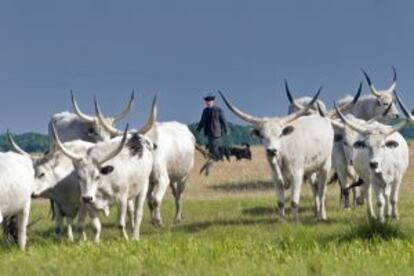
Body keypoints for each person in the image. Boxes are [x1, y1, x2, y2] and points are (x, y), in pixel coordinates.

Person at [197, 93, 228, 160]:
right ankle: (216, 159)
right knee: (211, 147)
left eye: (209, 101)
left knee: (215, 147)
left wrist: (226, 129)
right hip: (208, 133)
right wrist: (198, 129)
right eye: (207, 102)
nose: (208, 103)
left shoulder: (219, 110)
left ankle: (218, 159)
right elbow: (202, 121)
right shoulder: (205, 111)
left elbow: (224, 121)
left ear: (213, 102)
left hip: (216, 132)